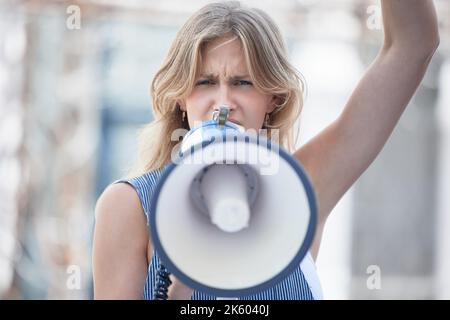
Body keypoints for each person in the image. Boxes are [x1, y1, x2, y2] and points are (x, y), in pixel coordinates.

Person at [92, 1, 439, 299]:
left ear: (273, 99)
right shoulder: (130, 206)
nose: (223, 103)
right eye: (205, 82)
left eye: (243, 83)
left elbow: (412, 46)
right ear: (181, 97)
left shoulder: (304, 191)